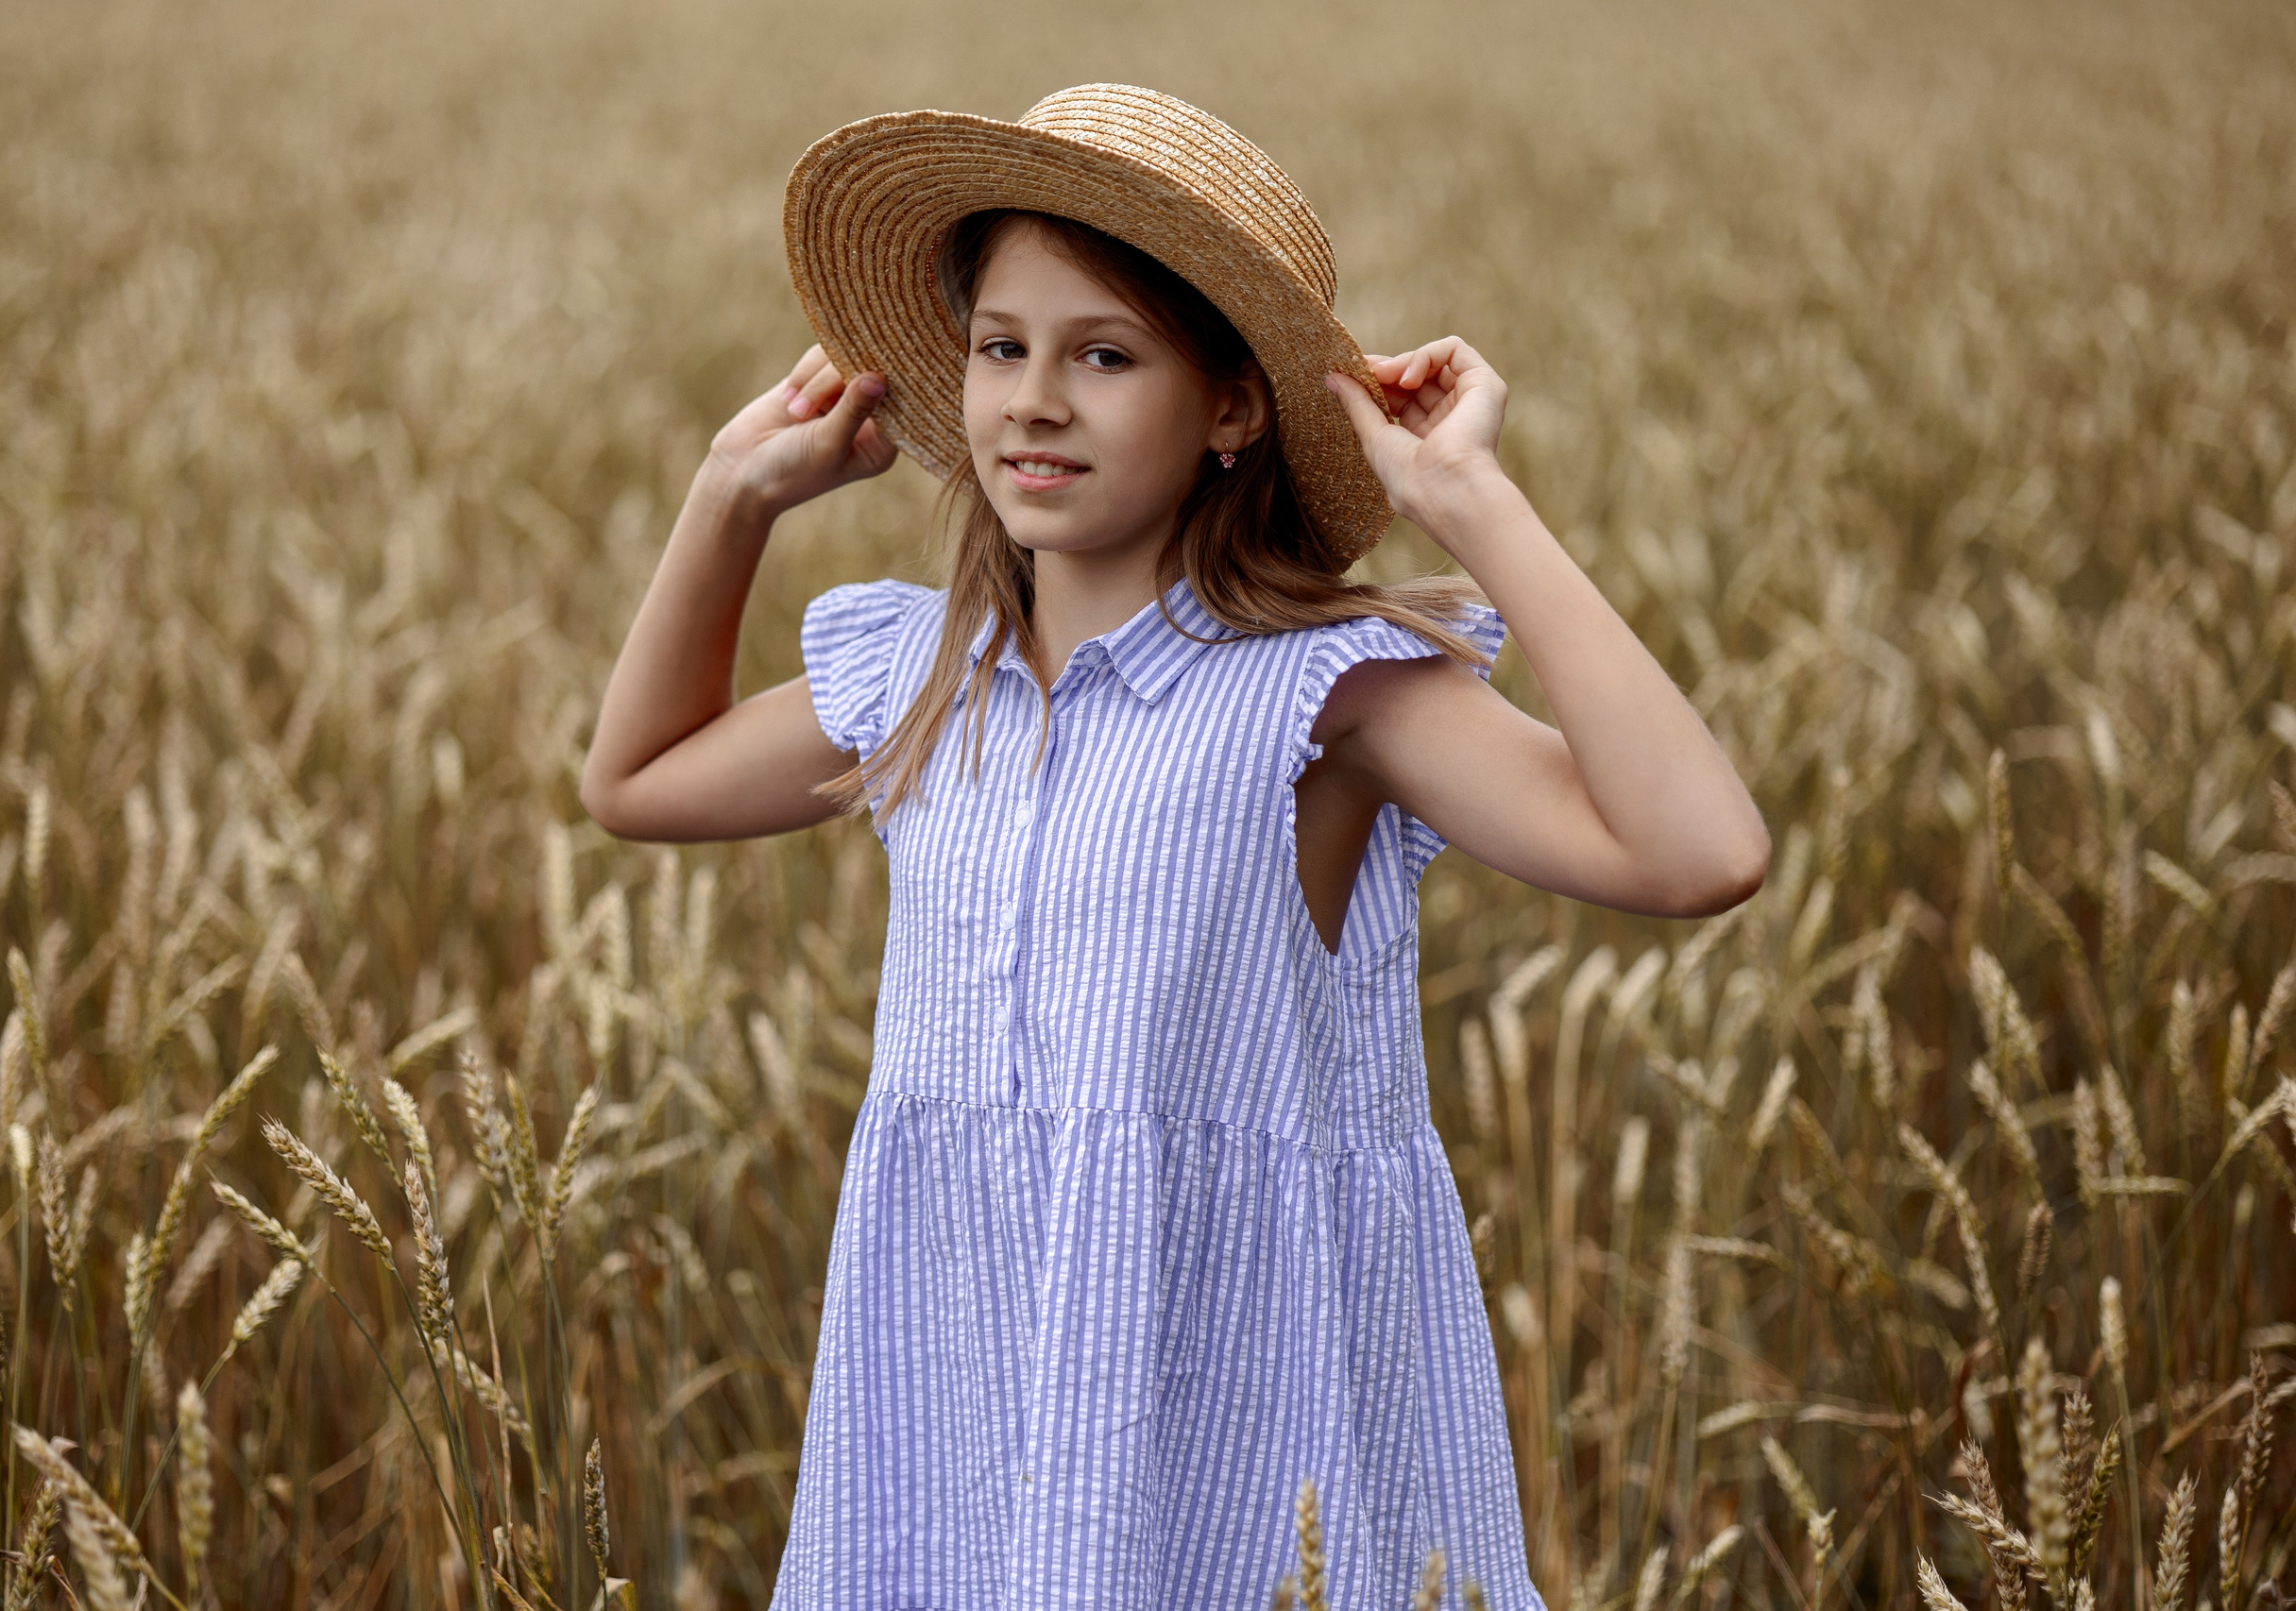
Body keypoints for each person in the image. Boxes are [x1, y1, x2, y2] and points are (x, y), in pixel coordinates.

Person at [580, 83, 1768, 1611]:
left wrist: (1469, 502)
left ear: (1232, 408)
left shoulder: (1321, 699)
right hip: (953, 1433)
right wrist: (729, 497)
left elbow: (1699, 853)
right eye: (1000, 346)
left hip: (1235, 1453)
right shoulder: (926, 675)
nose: (1033, 399)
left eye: (1105, 355)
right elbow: (637, 777)